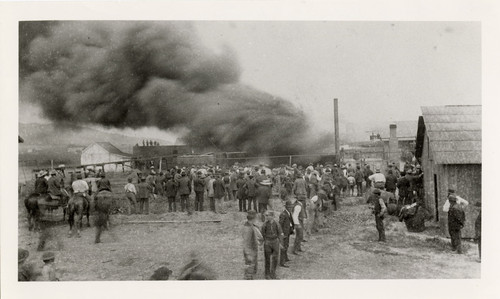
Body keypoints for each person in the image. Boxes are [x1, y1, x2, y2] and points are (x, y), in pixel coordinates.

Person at [260, 210, 284, 280]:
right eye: (266, 216)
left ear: (273, 216)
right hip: (267, 242)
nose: (267, 217)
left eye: (269, 216)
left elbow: (280, 233)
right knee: (267, 259)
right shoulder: (264, 225)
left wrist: (281, 243)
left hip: (275, 242)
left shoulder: (277, 224)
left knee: (275, 259)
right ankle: (267, 274)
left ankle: (273, 273)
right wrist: (262, 244)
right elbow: (262, 235)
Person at [242, 210, 264, 280]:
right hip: (251, 250)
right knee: (250, 266)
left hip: (249, 249)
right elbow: (260, 238)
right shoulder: (251, 228)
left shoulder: (247, 226)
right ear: (254, 218)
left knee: (250, 265)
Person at [279, 200, 294, 268]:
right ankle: (282, 262)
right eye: (289, 207)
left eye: (291, 207)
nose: (290, 208)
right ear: (286, 207)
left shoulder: (289, 213)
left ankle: (285, 258)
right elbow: (280, 224)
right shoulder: (283, 214)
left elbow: (290, 222)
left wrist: (291, 229)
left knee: (286, 245)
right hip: (284, 233)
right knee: (283, 247)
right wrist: (281, 233)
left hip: (287, 232)